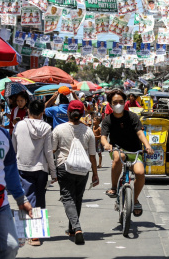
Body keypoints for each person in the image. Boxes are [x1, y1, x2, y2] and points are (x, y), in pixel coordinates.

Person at [0, 88, 33, 258]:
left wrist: (21, 199)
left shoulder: (2, 136)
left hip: (0, 203)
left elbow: (10, 171)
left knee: (11, 247)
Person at [101, 89, 154, 217]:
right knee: (120, 156)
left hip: (135, 150)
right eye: (115, 102)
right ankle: (114, 187)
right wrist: (106, 144)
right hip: (117, 150)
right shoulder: (107, 120)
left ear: (125, 102)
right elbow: (103, 137)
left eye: (120, 101)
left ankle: (135, 199)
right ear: (110, 104)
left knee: (140, 173)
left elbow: (140, 133)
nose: (118, 104)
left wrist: (147, 146)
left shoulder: (133, 117)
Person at [53, 100, 99, 245]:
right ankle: (72, 229)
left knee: (67, 198)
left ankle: (77, 228)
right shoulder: (88, 131)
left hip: (64, 167)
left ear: (68, 112)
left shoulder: (59, 129)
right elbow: (92, 155)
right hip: (82, 170)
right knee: (77, 198)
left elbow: (52, 150)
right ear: (82, 114)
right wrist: (95, 174)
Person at [12, 100, 57, 246]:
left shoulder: (19, 125)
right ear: (42, 112)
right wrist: (53, 172)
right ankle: (35, 233)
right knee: (39, 198)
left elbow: (14, 147)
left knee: (27, 199)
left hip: (23, 166)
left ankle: (30, 233)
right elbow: (49, 152)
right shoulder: (46, 127)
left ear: (28, 110)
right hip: (41, 169)